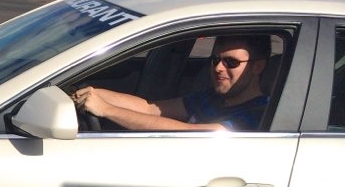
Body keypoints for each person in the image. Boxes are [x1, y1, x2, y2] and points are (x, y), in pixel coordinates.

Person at [71, 35, 272, 131]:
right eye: (215, 60)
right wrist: (91, 93)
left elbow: (187, 132)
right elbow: (150, 109)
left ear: (257, 67)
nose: (218, 67)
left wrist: (106, 110)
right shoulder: (211, 97)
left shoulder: (258, 114)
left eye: (231, 62)